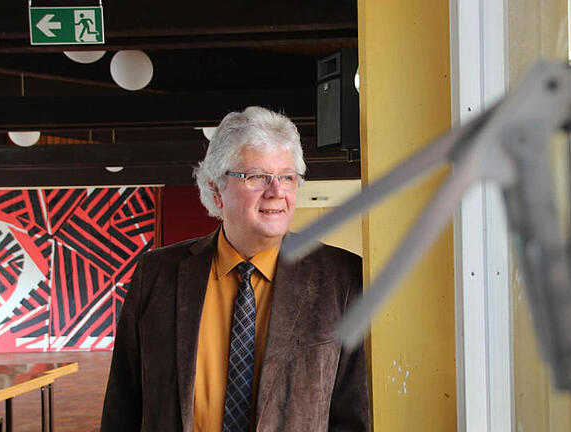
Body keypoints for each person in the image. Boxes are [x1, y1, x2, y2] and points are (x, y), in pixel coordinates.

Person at [100, 106, 370, 431]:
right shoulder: (156, 274)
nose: (277, 191)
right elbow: (123, 404)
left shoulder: (341, 278)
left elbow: (354, 416)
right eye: (257, 176)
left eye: (287, 177)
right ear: (216, 188)